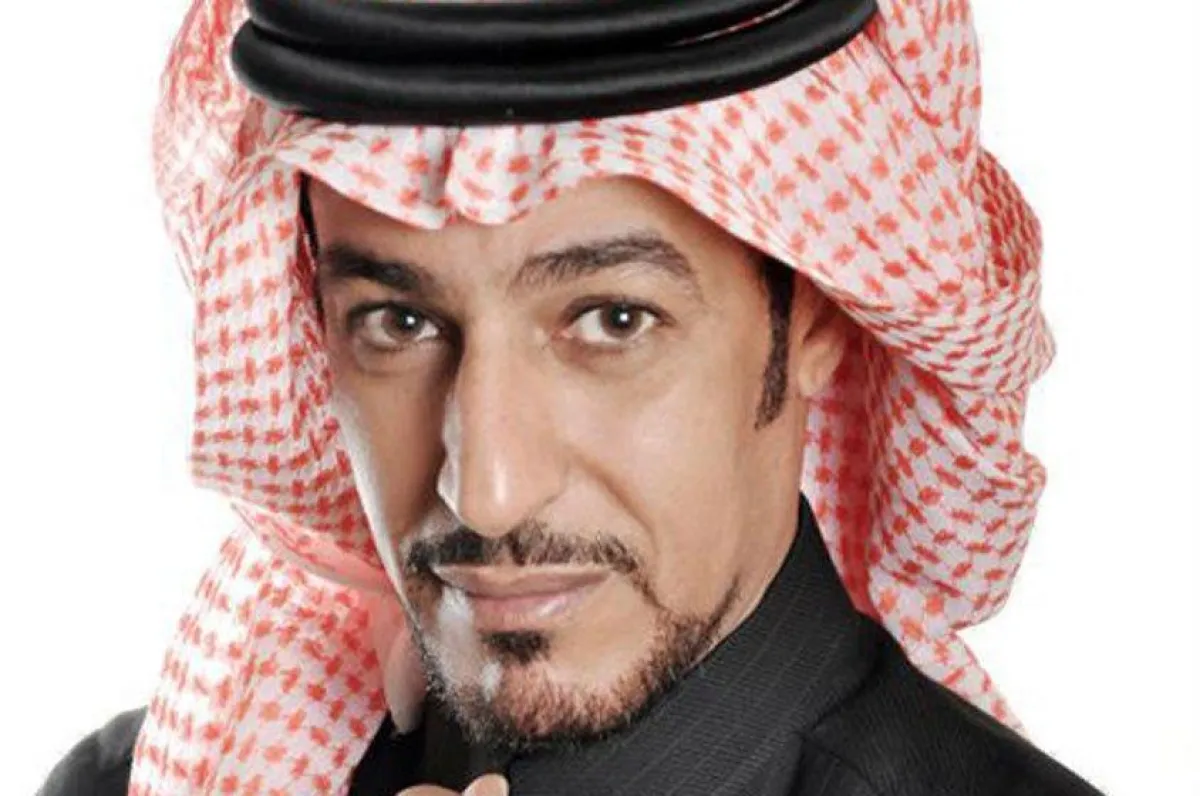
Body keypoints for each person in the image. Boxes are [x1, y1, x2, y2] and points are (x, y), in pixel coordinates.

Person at [40, 0, 1104, 794]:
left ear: (817, 319)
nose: (489, 492)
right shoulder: (145, 779)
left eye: (613, 320)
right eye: (399, 324)